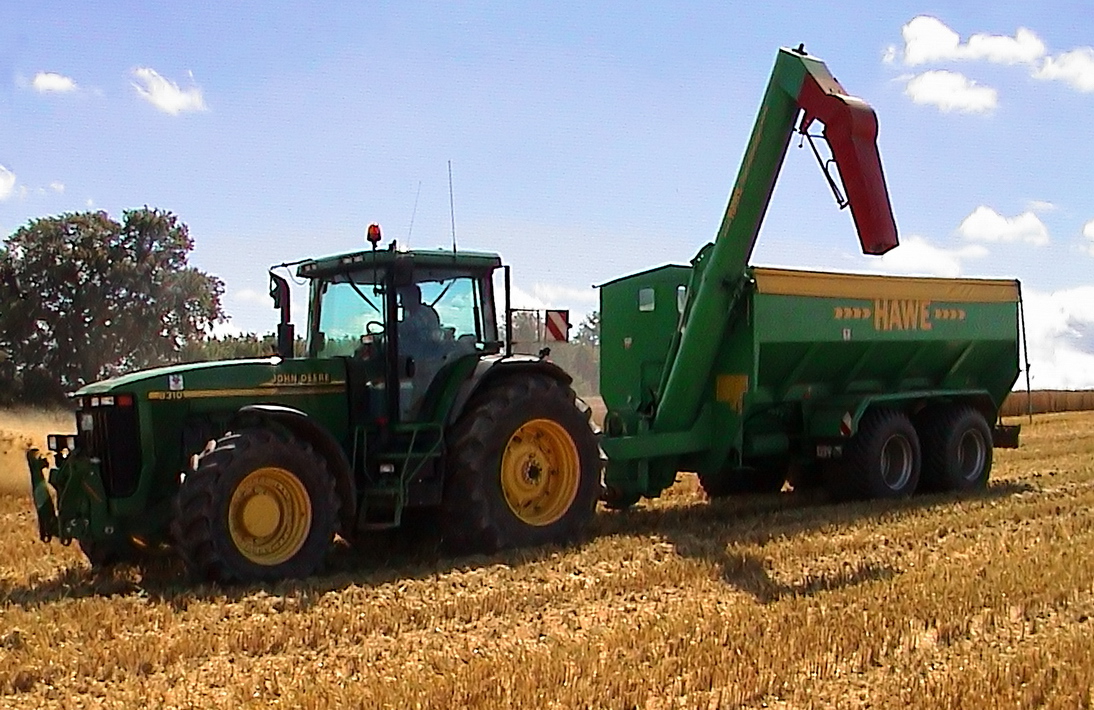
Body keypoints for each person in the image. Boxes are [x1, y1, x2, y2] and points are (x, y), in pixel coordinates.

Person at [396, 283, 442, 360]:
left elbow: (408, 329)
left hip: (424, 359)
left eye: (402, 298)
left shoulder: (425, 314)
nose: (400, 302)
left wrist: (395, 327)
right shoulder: (409, 314)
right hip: (412, 356)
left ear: (411, 298)